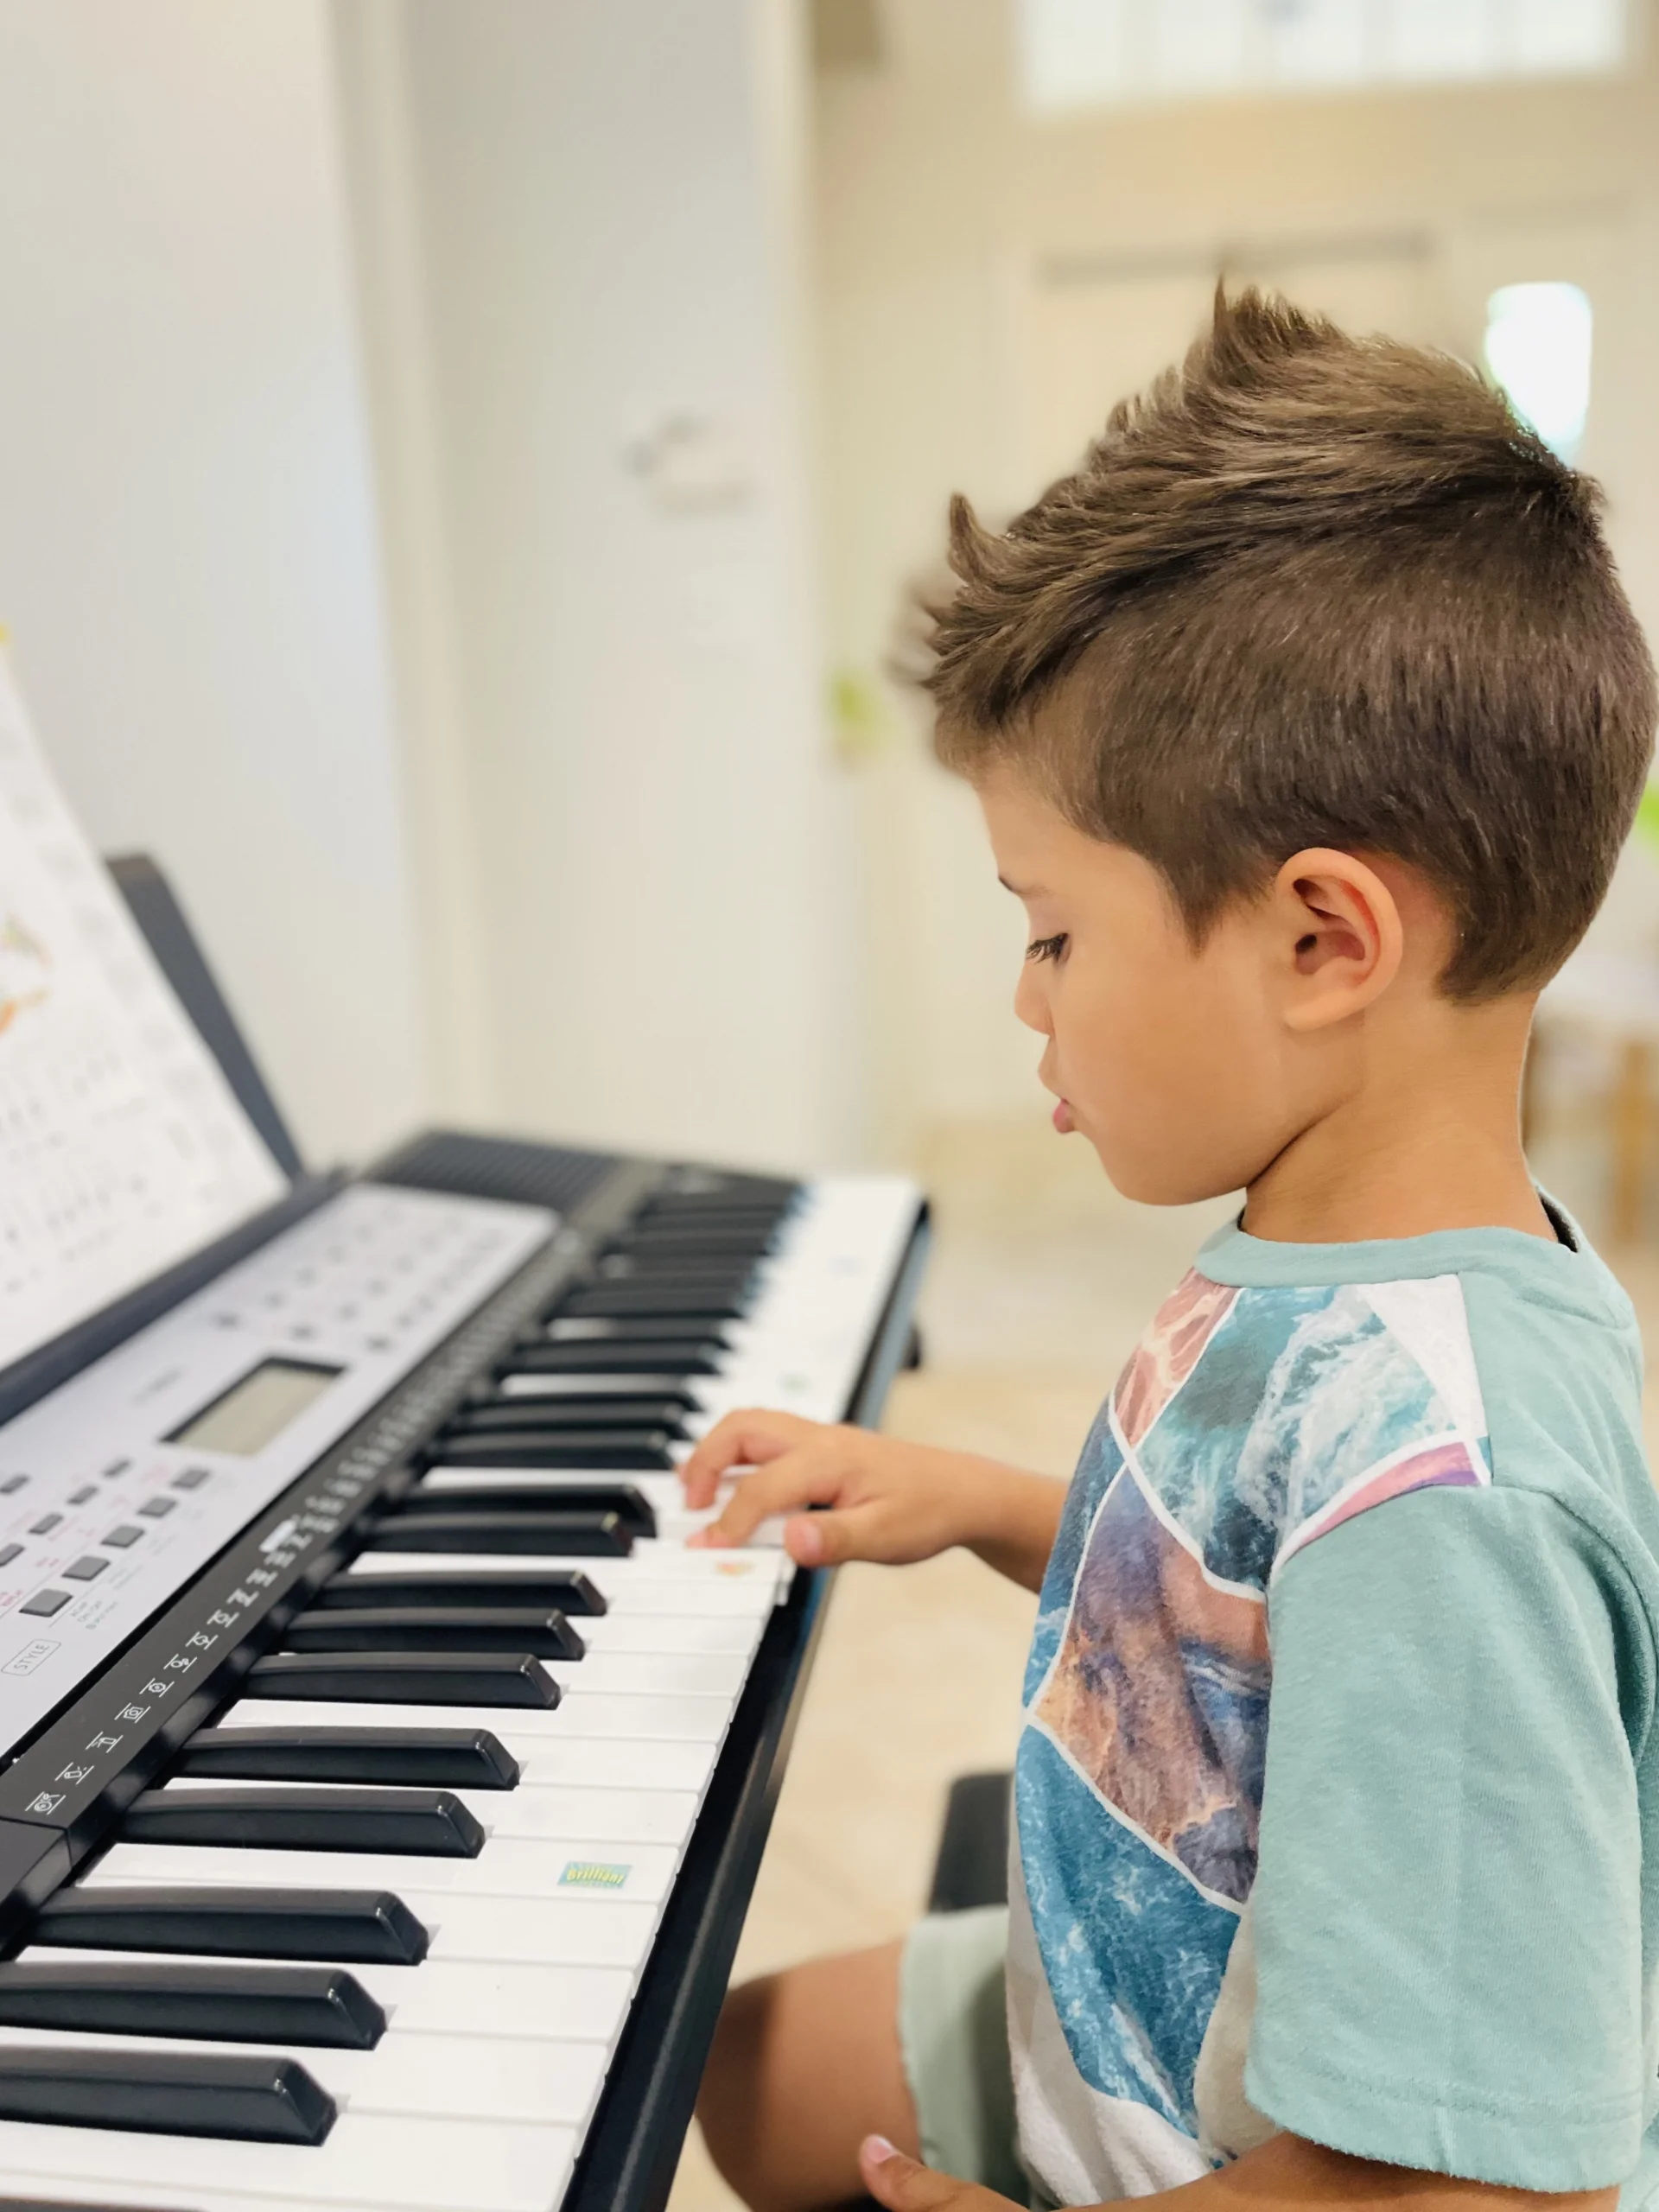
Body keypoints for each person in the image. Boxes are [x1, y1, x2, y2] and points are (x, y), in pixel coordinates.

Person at [682, 289, 1659, 2212]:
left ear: (1321, 941)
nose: (1024, 999)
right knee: (713, 2072)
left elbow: (1473, 2187)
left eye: (1052, 929)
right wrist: (968, 1494)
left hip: (1252, 2152)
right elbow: (1243, 1609)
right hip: (1117, 2003)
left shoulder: (1448, 1485)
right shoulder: (1326, 1248)